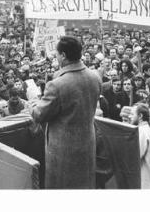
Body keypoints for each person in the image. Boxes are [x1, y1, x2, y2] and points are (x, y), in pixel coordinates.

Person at [29, 36, 101, 189]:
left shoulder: (57, 85)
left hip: (63, 151)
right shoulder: (95, 77)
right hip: (88, 143)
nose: (56, 56)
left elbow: (39, 115)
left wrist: (33, 104)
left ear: (63, 55)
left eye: (57, 53)